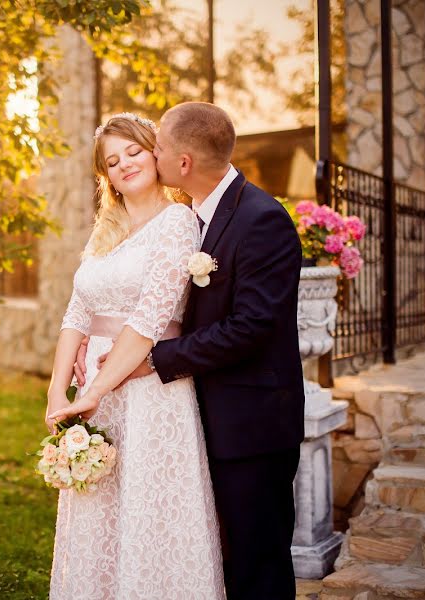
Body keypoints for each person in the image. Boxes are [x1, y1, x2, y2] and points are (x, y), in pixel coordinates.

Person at [64, 102, 305, 599]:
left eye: (156, 147)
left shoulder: (261, 218)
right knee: (216, 555)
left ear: (183, 162)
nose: (150, 155)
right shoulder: (198, 215)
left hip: (252, 422)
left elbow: (252, 327)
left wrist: (154, 359)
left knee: (257, 563)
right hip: (200, 411)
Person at [43, 113, 225, 599]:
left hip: (148, 390)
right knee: (99, 508)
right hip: (94, 395)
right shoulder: (105, 233)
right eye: (112, 160)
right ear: (106, 176)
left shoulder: (178, 222)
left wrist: (96, 391)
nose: (125, 164)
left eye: (134, 151)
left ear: (155, 153)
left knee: (149, 509)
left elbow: (149, 319)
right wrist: (59, 388)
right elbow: (76, 311)